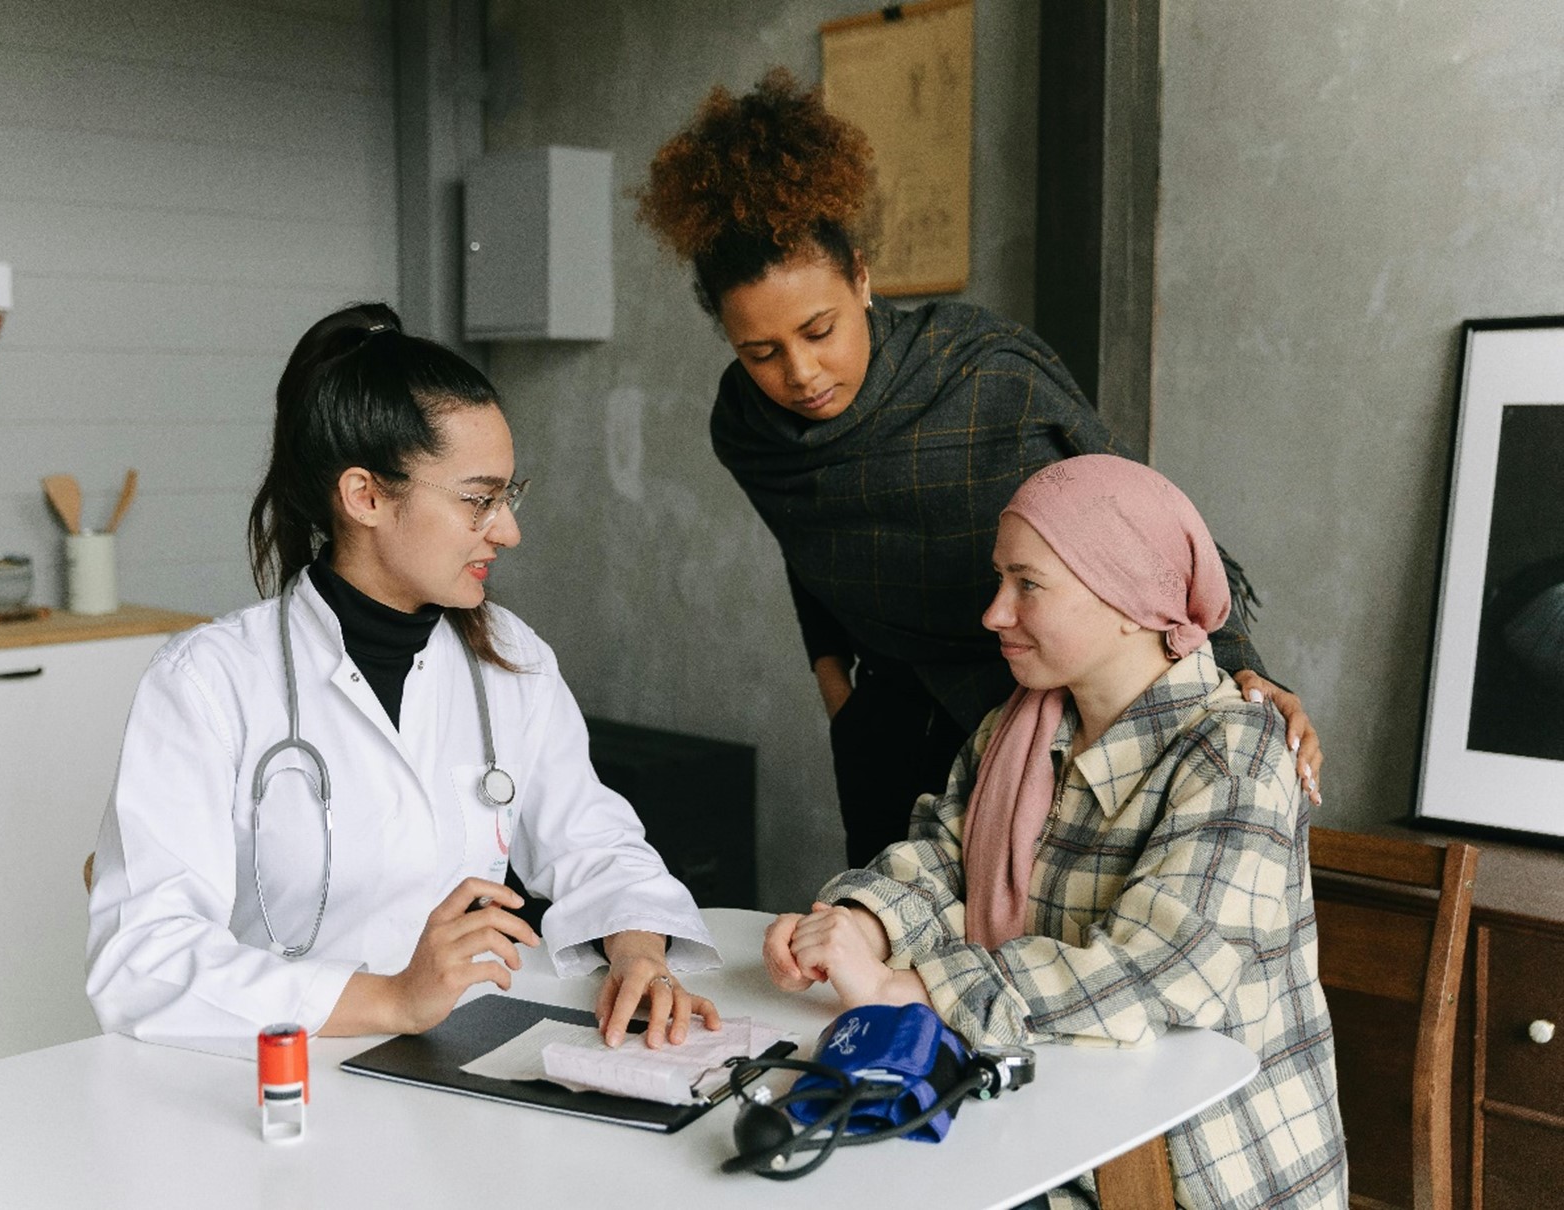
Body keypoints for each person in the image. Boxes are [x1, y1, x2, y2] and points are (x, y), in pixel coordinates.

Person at [636, 70, 1324, 868]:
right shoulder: (745, 426)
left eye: (819, 329)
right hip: (887, 722)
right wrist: (838, 690)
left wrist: (1243, 670)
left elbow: (1148, 529)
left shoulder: (982, 370)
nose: (800, 372)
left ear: (861, 277)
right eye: (760, 351)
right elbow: (812, 556)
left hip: (1043, 704)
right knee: (886, 928)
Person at [86, 303, 720, 1052]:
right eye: (477, 499)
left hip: (467, 1060)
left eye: (508, 496)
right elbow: (142, 961)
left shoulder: (509, 659)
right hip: (280, 1076)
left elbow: (595, 843)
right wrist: (392, 1000)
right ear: (365, 497)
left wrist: (640, 953)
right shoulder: (208, 682)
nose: (507, 530)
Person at [763, 455, 1346, 1209]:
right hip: (1043, 1117)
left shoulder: (1235, 753)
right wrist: (853, 925)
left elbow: (1164, 971)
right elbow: (943, 860)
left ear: (1129, 602)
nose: (993, 612)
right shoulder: (1016, 725)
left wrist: (908, 989)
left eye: (1026, 585)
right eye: (999, 579)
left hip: (1185, 1169)